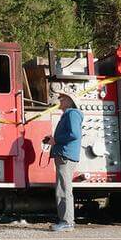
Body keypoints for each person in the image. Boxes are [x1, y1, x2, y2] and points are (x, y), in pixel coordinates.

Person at [44, 92, 83, 232]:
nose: (60, 100)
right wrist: (54, 139)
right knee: (64, 187)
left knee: (63, 188)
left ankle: (66, 221)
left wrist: (56, 140)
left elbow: (74, 134)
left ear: (69, 101)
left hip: (65, 155)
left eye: (62, 98)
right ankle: (66, 221)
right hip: (65, 154)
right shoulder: (71, 114)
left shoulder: (72, 113)